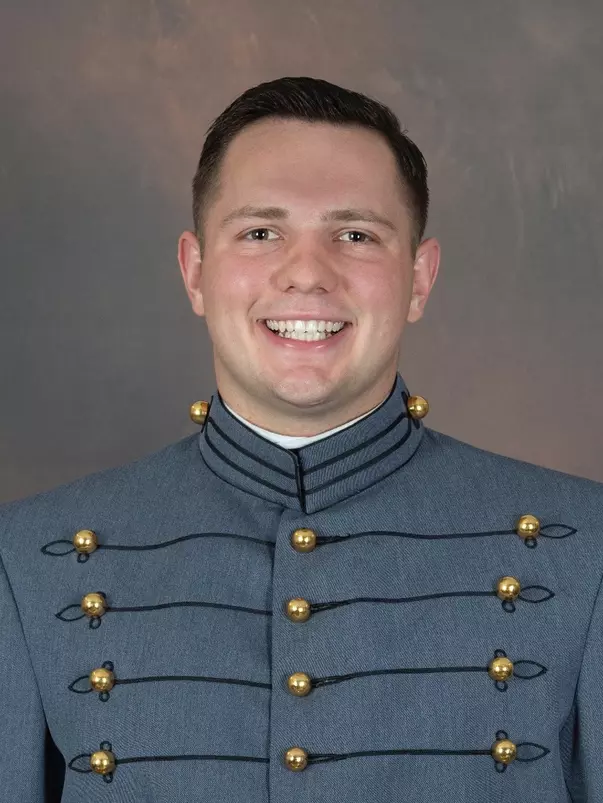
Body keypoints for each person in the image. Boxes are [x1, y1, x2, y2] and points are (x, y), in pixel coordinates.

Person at [0, 75, 601, 803]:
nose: (307, 274)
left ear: (418, 277)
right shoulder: (30, 561)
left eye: (354, 234)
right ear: (196, 272)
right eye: (260, 232)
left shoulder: (584, 549)